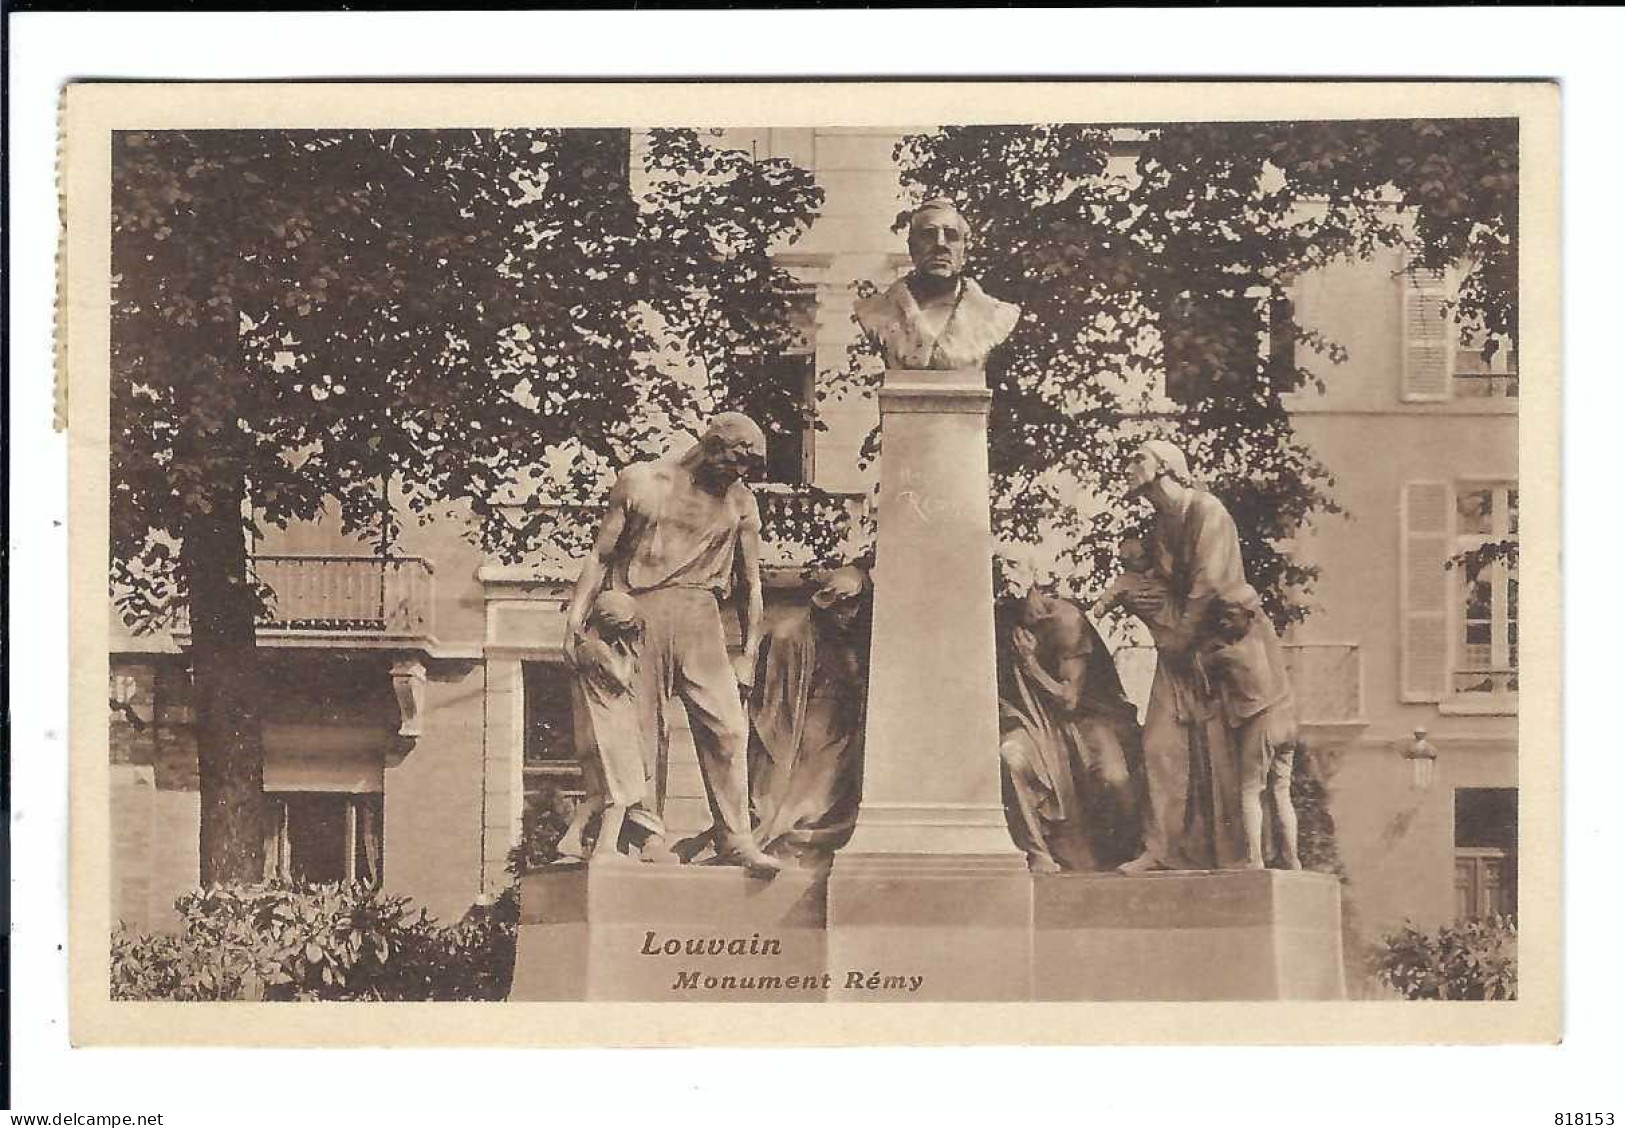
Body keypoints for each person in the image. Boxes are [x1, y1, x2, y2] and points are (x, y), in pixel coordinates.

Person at [564, 413, 782, 876]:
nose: (738, 475)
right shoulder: (643, 482)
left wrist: (748, 654)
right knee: (640, 734)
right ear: (711, 447)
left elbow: (752, 585)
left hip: (702, 615)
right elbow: (601, 554)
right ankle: (644, 835)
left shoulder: (740, 502)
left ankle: (734, 836)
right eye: (734, 463)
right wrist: (576, 615)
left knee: (729, 727)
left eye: (746, 469)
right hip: (640, 613)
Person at [1117, 440, 1256, 873]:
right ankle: (1161, 848)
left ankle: (1230, 853)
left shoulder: (1207, 512)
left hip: (1218, 653)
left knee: (1219, 756)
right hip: (1179, 649)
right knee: (1158, 744)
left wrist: (1179, 634)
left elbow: (1208, 583)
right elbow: (1164, 583)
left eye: (1139, 457)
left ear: (1166, 467)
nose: (1130, 464)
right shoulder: (1161, 526)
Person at [998, 581, 1143, 872]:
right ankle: (1039, 852)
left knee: (1114, 778)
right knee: (1013, 757)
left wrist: (1030, 663)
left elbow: (1070, 701)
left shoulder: (1066, 621)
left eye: (1026, 592)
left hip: (1088, 716)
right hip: (1036, 720)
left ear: (1038, 588)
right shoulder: (1003, 618)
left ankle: (1133, 849)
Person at [745, 566, 871, 863]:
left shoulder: (852, 640)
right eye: (841, 606)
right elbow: (771, 702)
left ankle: (804, 833)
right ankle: (787, 832)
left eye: (855, 605)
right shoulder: (789, 634)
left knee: (832, 779)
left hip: (842, 721)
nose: (848, 615)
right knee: (807, 777)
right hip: (807, 718)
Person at [1197, 587, 1302, 871]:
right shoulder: (1265, 638)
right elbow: (1257, 610)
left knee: (1250, 790)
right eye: (1222, 618)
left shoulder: (1231, 655)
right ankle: (1293, 858)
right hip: (1288, 721)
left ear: (1249, 616)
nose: (1224, 623)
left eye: (1230, 617)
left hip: (1264, 722)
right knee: (1282, 791)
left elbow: (1199, 666)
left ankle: (1254, 858)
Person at [855, 197, 1021, 371]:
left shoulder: (995, 314)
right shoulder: (876, 312)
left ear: (965, 250)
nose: (940, 244)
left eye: (951, 236)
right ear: (912, 248)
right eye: (928, 235)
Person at [555, 591, 647, 865]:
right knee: (621, 792)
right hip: (612, 733)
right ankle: (606, 848)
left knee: (595, 794)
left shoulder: (578, 651)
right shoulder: (598, 650)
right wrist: (628, 654)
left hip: (589, 733)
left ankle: (570, 839)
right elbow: (621, 679)